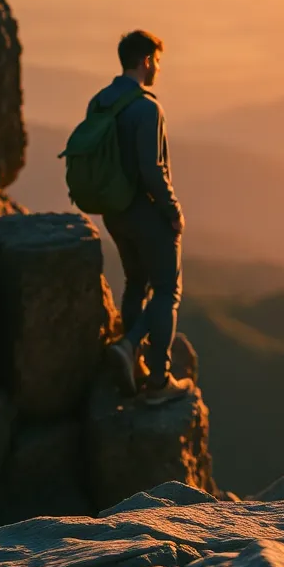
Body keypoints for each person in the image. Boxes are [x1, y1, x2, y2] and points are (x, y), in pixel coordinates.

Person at [94, 29, 193, 405]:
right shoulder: (147, 108)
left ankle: (130, 363)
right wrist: (173, 211)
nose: (157, 70)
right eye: (157, 62)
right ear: (146, 60)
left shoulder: (100, 101)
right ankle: (156, 379)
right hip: (145, 213)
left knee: (137, 284)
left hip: (114, 213)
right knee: (167, 290)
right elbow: (153, 170)